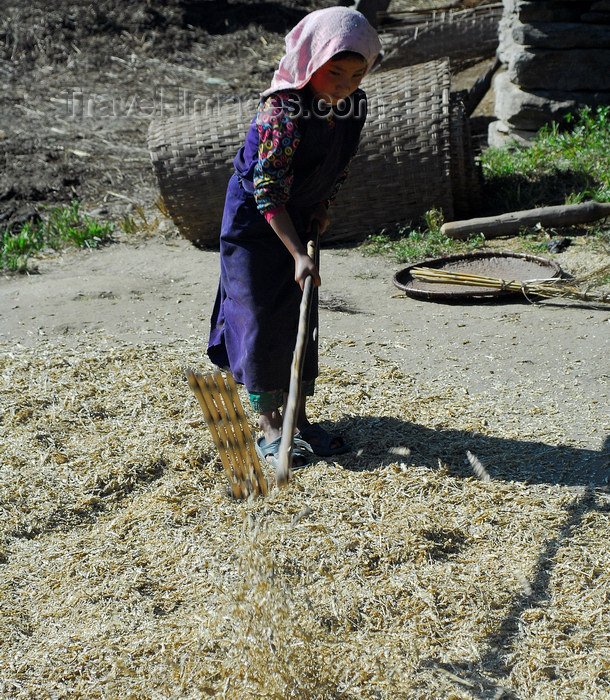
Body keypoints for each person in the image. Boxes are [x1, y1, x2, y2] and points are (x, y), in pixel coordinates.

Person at [207, 7, 381, 470]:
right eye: (335, 71)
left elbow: (337, 164)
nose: (345, 83)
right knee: (262, 317)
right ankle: (268, 426)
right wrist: (295, 254)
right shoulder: (283, 110)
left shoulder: (352, 106)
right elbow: (267, 190)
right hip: (257, 221)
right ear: (310, 62)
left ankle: (299, 422)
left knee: (301, 315)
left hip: (299, 214)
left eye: (357, 73)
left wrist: (323, 206)